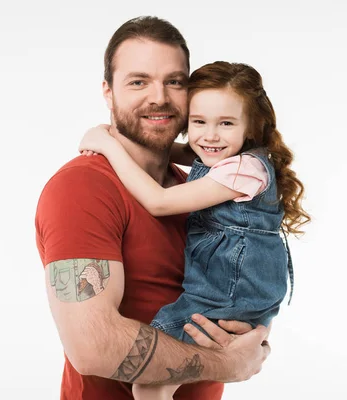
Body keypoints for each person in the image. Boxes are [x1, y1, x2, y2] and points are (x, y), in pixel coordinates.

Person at [35, 16, 271, 400]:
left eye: (174, 81)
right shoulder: (83, 188)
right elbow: (92, 348)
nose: (159, 97)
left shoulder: (197, 187)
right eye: (138, 81)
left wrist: (250, 335)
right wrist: (230, 364)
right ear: (108, 93)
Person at [78, 61, 310, 399]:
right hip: (236, 290)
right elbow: (166, 149)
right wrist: (121, 135)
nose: (210, 136)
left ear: (250, 128)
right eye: (198, 122)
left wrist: (107, 144)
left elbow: (159, 202)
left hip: (224, 295)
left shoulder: (243, 170)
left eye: (226, 123)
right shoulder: (226, 155)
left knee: (149, 381)